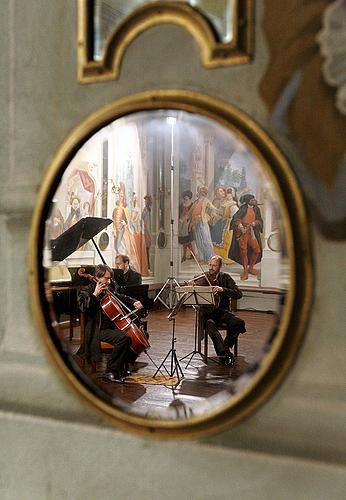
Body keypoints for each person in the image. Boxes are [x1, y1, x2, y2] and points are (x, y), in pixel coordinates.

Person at [77, 264, 143, 383]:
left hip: (111, 327)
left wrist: (134, 301)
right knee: (123, 338)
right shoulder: (86, 290)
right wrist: (95, 295)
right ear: (98, 277)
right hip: (97, 329)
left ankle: (123, 366)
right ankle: (110, 372)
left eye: (109, 278)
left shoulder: (108, 289)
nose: (109, 281)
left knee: (138, 334)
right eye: (106, 278)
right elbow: (83, 307)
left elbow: (121, 297)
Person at [201, 255, 246, 366]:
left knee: (239, 323)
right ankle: (224, 354)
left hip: (222, 312)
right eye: (210, 265)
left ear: (220, 267)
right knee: (211, 325)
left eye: (214, 265)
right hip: (207, 314)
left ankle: (224, 348)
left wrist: (223, 289)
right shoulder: (203, 278)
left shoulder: (225, 278)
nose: (211, 268)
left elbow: (238, 294)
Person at [228, 194, 263, 280]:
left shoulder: (256, 209)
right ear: (248, 201)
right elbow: (236, 218)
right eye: (252, 199)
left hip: (251, 232)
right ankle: (245, 271)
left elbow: (259, 220)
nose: (255, 200)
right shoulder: (242, 208)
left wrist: (255, 223)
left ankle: (250, 268)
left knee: (257, 250)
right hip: (242, 233)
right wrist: (240, 225)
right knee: (243, 253)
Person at [178, 190, 194, 262]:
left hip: (189, 225)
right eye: (184, 199)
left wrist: (189, 222)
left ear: (189, 198)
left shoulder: (192, 205)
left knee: (187, 241)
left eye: (187, 199)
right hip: (181, 225)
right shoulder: (181, 206)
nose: (185, 200)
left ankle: (185, 256)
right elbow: (178, 214)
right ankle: (190, 254)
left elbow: (192, 215)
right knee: (185, 241)